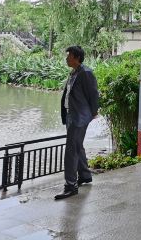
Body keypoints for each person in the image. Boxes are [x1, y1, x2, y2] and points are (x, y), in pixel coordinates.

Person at [55, 46, 99, 200]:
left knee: (71, 150)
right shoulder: (74, 72)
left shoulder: (85, 73)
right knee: (77, 146)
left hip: (79, 117)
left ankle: (70, 186)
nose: (67, 58)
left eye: (69, 56)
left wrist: (93, 113)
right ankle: (85, 175)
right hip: (71, 115)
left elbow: (93, 94)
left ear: (77, 58)